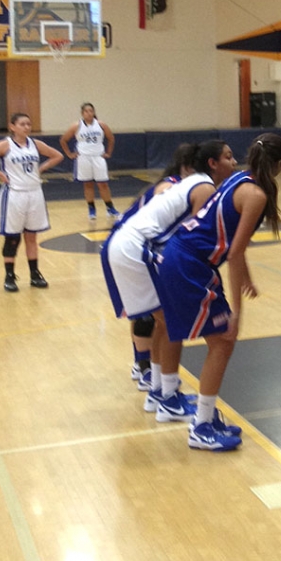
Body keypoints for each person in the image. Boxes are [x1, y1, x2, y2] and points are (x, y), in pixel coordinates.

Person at [147, 133, 281, 451]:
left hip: (180, 255)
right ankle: (201, 426)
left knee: (202, 335)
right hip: (189, 263)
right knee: (224, 340)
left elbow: (232, 243)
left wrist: (246, 278)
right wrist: (238, 311)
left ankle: (193, 412)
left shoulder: (240, 179)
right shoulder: (256, 195)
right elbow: (235, 253)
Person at [102, 141, 237, 422]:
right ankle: (168, 398)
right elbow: (195, 239)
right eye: (228, 156)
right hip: (136, 248)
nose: (235, 162)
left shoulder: (189, 184)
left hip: (126, 245)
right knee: (171, 321)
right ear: (212, 163)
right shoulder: (204, 188)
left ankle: (161, 391)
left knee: (163, 321)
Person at [0, 113, 64, 291]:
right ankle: (9, 275)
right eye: (22, 124)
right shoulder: (4, 145)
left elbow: (57, 156)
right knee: (12, 237)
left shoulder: (35, 144)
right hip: (14, 194)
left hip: (34, 193)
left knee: (32, 236)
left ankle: (35, 274)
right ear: (12, 127)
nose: (26, 127)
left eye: (29, 124)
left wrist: (42, 168)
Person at [60, 102, 118, 221]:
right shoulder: (76, 125)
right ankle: (91, 209)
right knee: (88, 184)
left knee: (103, 184)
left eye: (91, 111)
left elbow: (111, 138)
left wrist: (108, 152)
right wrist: (70, 154)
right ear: (82, 113)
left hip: (98, 157)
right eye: (86, 111)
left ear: (94, 112)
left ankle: (110, 208)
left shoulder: (101, 124)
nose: (89, 113)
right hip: (84, 158)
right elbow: (63, 140)